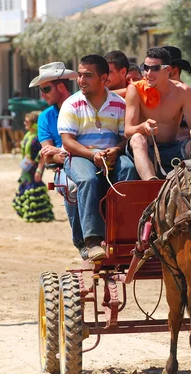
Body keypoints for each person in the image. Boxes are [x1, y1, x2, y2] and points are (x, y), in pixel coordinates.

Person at [58, 54, 136, 260]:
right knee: (87, 179)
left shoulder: (119, 104)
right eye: (80, 75)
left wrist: (116, 150)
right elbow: (68, 142)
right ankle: (91, 241)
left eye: (88, 75)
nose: (81, 80)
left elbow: (124, 138)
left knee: (129, 169)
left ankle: (124, 234)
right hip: (80, 156)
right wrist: (93, 156)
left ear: (103, 79)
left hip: (112, 156)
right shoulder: (71, 104)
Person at [125, 47, 191, 180]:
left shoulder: (183, 91)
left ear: (168, 70)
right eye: (146, 68)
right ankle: (151, 185)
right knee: (136, 138)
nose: (148, 73)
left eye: (155, 69)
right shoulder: (134, 89)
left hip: (173, 148)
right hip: (147, 149)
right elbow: (128, 131)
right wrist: (143, 127)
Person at [28, 61, 84, 255]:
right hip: (66, 168)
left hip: (91, 160)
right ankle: (81, 240)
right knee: (71, 186)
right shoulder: (45, 117)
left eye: (45, 89)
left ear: (61, 86)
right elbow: (48, 156)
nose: (42, 95)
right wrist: (70, 153)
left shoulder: (83, 104)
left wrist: (59, 150)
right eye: (41, 90)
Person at [11, 112, 55, 222]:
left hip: (35, 166)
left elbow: (42, 154)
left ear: (33, 123)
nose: (24, 123)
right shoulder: (28, 135)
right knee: (26, 185)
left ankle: (38, 214)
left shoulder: (39, 136)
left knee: (35, 185)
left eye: (27, 121)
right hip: (27, 166)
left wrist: (40, 169)